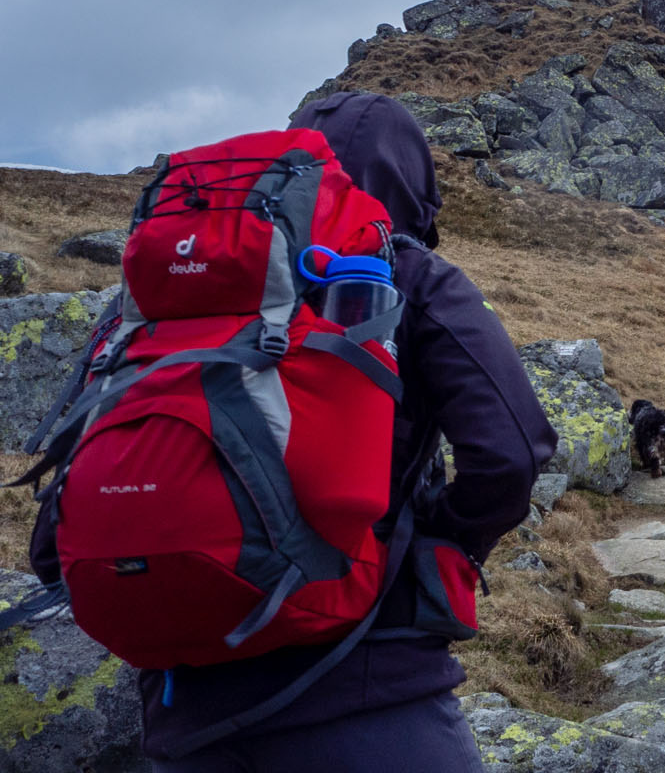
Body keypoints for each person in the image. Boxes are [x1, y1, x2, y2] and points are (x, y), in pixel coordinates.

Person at [32, 91, 559, 770]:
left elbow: (60, 513)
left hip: (183, 715)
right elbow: (512, 454)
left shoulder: (157, 301)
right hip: (371, 698)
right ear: (412, 187)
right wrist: (444, 544)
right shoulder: (409, 274)